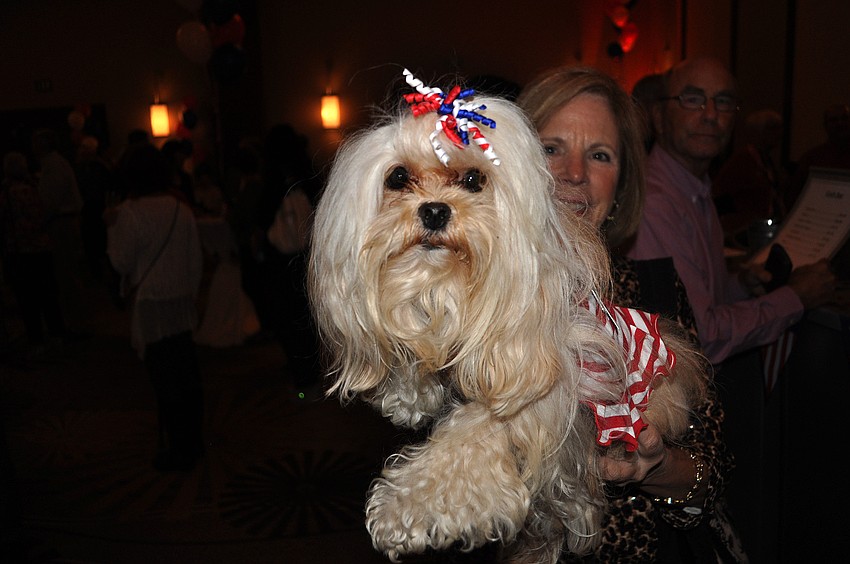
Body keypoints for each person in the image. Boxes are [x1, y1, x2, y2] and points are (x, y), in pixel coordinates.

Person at [518, 66, 747, 562]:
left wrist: (659, 465)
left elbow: (712, 475)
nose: (574, 173)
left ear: (621, 184)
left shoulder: (656, 293)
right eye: (552, 148)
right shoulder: (468, 296)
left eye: (600, 155)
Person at [622, 56, 835, 366]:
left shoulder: (695, 190)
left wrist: (740, 286)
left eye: (723, 102)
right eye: (692, 99)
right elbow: (699, 336)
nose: (710, 115)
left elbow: (700, 302)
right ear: (659, 117)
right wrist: (796, 298)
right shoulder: (655, 203)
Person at [105, 144, 205, 472]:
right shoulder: (180, 208)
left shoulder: (129, 213)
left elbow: (120, 262)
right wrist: (191, 295)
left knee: (164, 378)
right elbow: (195, 260)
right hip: (179, 301)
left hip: (151, 305)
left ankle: (178, 447)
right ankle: (193, 441)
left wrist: (110, 226)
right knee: (187, 374)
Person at [0, 151, 67, 357]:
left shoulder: (6, 191)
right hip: (37, 247)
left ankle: (36, 339)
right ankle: (56, 336)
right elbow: (41, 215)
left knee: (27, 298)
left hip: (17, 250)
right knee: (47, 294)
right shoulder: (29, 189)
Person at [31, 128, 89, 337]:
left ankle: (77, 323)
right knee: (67, 274)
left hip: (61, 223)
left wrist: (38, 221)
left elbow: (50, 202)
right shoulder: (55, 164)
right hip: (62, 221)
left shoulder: (53, 165)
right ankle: (76, 321)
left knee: (66, 274)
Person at [712, 109, 785, 249]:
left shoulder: (766, 159)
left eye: (779, 128)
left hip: (764, 229)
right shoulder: (743, 159)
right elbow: (718, 194)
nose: (778, 134)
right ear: (757, 131)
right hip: (744, 232)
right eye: (771, 128)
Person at [784, 102, 850, 210]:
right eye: (834, 120)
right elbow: (794, 197)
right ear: (825, 125)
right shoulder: (811, 158)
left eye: (844, 118)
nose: (840, 123)